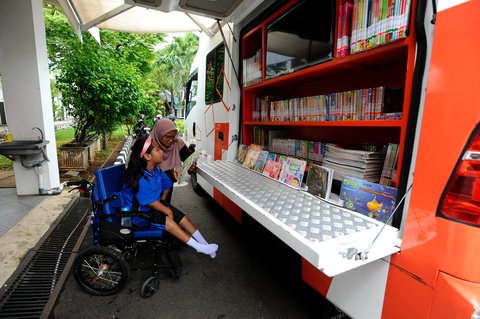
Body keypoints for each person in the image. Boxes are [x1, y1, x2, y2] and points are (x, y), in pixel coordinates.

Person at [121, 136, 218, 258]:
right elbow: (150, 202)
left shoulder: (156, 170)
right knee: (169, 221)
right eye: (157, 150)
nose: (162, 151)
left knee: (184, 219)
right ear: (147, 156)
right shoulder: (140, 178)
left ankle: (204, 243)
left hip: (152, 207)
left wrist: (163, 201)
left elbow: (167, 185)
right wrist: (165, 209)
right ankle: (199, 248)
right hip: (138, 215)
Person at [152, 118, 196, 203]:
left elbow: (188, 159)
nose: (171, 140)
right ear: (159, 133)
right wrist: (170, 174)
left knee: (165, 207)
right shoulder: (150, 145)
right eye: (167, 137)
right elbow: (143, 170)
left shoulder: (177, 142)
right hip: (150, 189)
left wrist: (191, 167)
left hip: (167, 188)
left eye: (173, 136)